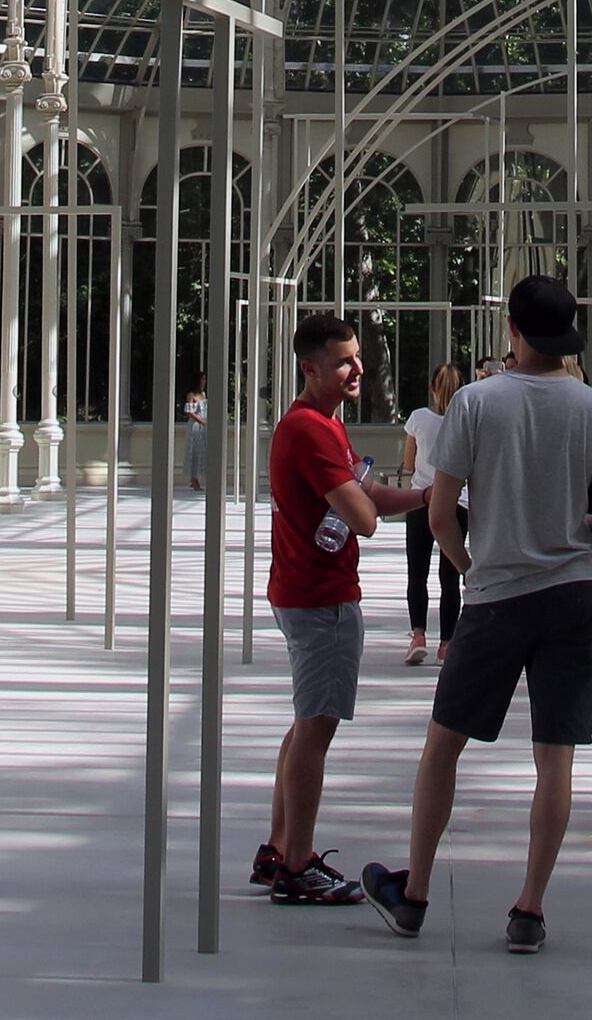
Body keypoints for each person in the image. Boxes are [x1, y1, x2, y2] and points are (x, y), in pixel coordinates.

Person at [364, 275, 592, 956]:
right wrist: (568, 523)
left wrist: (469, 562)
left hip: (495, 595)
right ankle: (530, 906)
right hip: (573, 594)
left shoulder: (476, 403)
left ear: (511, 327)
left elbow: (437, 508)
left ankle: (416, 891)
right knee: (556, 757)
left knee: (444, 745)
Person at [251, 313, 415, 908]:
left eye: (358, 358)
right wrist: (372, 499)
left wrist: (428, 495)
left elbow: (366, 494)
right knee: (316, 730)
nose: (356, 370)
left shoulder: (319, 425)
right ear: (310, 367)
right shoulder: (312, 431)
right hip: (321, 599)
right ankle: (297, 863)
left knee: (304, 724)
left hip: (305, 592)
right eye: (344, 361)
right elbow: (364, 518)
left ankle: (279, 846)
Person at [399, 362, 463, 668]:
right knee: (450, 576)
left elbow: (409, 464)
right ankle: (447, 643)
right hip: (457, 503)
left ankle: (418, 635)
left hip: (420, 499)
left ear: (432, 389)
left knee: (417, 572)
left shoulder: (418, 419)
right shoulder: (464, 422)